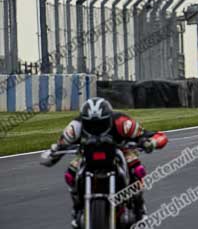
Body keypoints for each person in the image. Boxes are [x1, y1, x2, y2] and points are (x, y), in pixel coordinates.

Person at [40, 97, 168, 228]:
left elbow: (153, 135)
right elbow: (60, 145)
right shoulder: (75, 126)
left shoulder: (123, 123)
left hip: (120, 151)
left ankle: (140, 209)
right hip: (86, 154)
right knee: (70, 174)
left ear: (109, 119)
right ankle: (77, 208)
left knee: (137, 169)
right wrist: (52, 155)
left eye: (100, 124)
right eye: (91, 124)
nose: (96, 128)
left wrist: (150, 142)